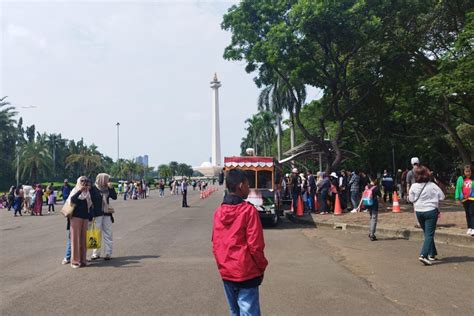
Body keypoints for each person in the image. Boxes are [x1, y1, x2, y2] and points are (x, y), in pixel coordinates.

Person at [212, 169, 268, 316]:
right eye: (248, 184)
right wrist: (261, 267)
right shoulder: (248, 211)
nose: (249, 188)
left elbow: (216, 243)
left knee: (234, 311)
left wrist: (222, 265)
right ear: (241, 185)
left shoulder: (218, 212)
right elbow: (256, 246)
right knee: (249, 312)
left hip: (227, 271)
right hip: (246, 272)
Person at [408, 166, 445, 265]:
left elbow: (411, 199)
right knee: (429, 234)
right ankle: (423, 255)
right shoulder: (432, 185)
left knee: (427, 233)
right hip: (431, 211)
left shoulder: (414, 186)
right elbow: (442, 196)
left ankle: (432, 253)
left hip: (419, 211)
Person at [90, 173, 117, 261]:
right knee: (95, 233)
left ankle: (108, 253)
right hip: (96, 214)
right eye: (107, 179)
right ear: (101, 179)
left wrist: (111, 188)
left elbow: (114, 197)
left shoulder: (108, 189)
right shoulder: (93, 189)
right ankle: (95, 253)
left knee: (108, 233)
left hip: (107, 213)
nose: (108, 181)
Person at [69, 176, 93, 268]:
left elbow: (90, 205)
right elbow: (72, 200)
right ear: (78, 181)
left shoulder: (87, 192)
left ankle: (83, 260)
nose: (84, 183)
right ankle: (74, 261)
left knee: (84, 240)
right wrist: (80, 190)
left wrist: (90, 216)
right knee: (75, 239)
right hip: (76, 217)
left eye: (86, 181)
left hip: (85, 218)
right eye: (82, 181)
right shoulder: (75, 190)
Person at [358, 175, 382, 241]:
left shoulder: (366, 187)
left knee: (371, 218)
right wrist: (384, 205)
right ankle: (372, 234)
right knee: (374, 219)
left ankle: (370, 231)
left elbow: (363, 196)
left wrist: (359, 205)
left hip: (367, 204)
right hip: (374, 205)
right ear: (375, 180)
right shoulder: (376, 188)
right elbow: (380, 197)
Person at [455, 164, 474, 236]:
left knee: (472, 212)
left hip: (472, 198)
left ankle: (473, 227)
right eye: (466, 171)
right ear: (464, 172)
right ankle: (469, 227)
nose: (468, 173)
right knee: (467, 213)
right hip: (464, 199)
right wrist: (457, 198)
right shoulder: (460, 179)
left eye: (469, 171)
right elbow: (458, 189)